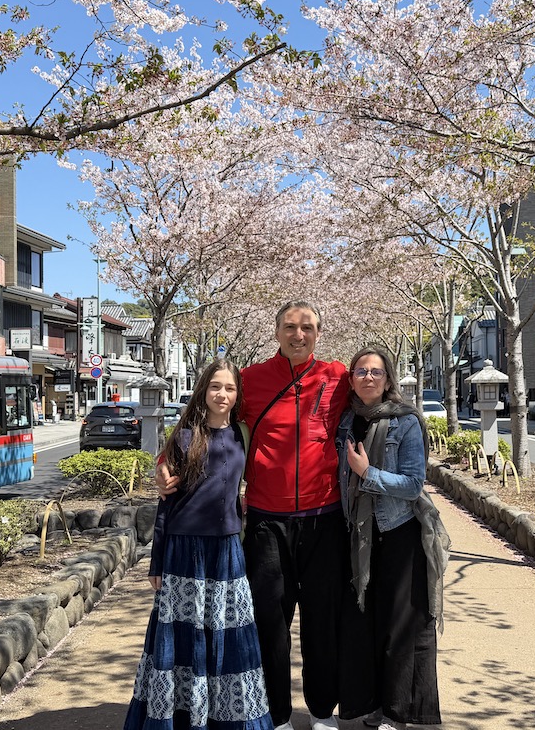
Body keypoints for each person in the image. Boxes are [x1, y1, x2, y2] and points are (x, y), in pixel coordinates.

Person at [157, 301, 350, 730]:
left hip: (324, 516)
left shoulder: (337, 376)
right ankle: (276, 715)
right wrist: (164, 461)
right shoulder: (251, 380)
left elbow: (377, 400)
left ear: (319, 333)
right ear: (276, 332)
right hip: (266, 521)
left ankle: (322, 712)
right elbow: (207, 421)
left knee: (322, 619)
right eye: (290, 327)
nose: (298, 335)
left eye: (307, 327)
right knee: (269, 622)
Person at [125, 359, 273, 730]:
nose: (222, 394)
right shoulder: (185, 437)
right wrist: (156, 561)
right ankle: (181, 718)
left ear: (238, 395)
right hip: (184, 550)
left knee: (229, 633)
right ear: (203, 390)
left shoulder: (242, 432)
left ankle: (225, 718)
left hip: (227, 549)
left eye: (230, 388)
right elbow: (166, 503)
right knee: (183, 636)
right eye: (215, 387)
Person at [336, 347, 443, 730]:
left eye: (376, 372)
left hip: (398, 532)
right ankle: (376, 704)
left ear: (388, 379)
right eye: (361, 371)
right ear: (351, 379)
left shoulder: (406, 421)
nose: (368, 377)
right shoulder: (347, 421)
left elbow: (414, 485)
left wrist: (368, 474)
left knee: (400, 627)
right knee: (368, 625)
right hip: (359, 534)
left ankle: (398, 714)